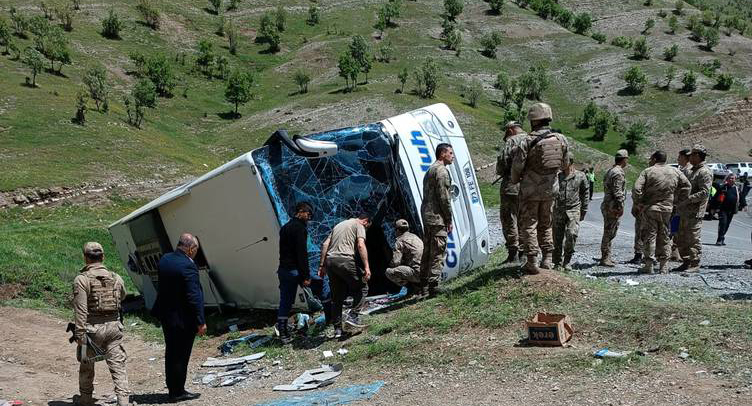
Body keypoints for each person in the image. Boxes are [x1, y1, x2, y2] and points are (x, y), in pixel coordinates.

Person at [510, 102, 570, 275]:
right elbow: (565, 164)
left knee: (529, 225)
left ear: (533, 120)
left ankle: (531, 260)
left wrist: (516, 180)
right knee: (547, 223)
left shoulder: (526, 141)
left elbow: (517, 168)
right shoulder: (561, 139)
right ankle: (548, 258)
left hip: (530, 191)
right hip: (551, 190)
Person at [73, 242, 129, 406]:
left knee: (86, 366)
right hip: (114, 327)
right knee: (118, 366)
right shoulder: (116, 277)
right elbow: (123, 296)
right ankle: (123, 401)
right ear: (103, 257)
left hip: (92, 330)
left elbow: (81, 310)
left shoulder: (82, 280)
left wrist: (79, 333)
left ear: (85, 258)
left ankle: (85, 400)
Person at [153, 233, 206, 403]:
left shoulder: (165, 260)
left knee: (172, 352)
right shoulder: (188, 266)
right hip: (183, 318)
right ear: (191, 249)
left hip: (167, 315)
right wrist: (200, 321)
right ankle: (178, 391)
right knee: (181, 355)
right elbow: (193, 296)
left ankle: (173, 388)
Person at [632, 151, 691, 274]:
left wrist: (639, 202)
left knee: (650, 236)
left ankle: (649, 265)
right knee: (665, 235)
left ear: (654, 159)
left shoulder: (648, 171)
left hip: (651, 208)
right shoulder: (675, 171)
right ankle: (664, 266)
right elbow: (687, 186)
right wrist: (678, 201)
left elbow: (637, 188)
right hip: (667, 209)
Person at [318, 214, 372, 339]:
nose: (366, 230)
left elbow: (325, 244)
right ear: (366, 221)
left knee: (337, 296)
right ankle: (353, 316)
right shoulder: (359, 225)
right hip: (345, 259)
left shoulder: (338, 225)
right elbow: (360, 245)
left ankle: (338, 330)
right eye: (368, 227)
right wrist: (367, 267)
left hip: (330, 261)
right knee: (362, 287)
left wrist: (322, 266)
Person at [275, 202, 315, 343]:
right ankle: (332, 321)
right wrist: (305, 276)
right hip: (295, 270)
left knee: (285, 302)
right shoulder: (299, 229)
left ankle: (283, 332)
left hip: (283, 269)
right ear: (301, 212)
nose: (309, 218)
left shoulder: (285, 227)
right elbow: (301, 254)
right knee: (322, 288)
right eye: (308, 214)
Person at [420, 143, 455, 296]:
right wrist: (449, 218)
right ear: (442, 154)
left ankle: (423, 286)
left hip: (427, 216)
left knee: (427, 251)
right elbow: (444, 197)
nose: (452, 156)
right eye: (450, 153)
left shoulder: (429, 170)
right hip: (437, 217)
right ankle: (433, 285)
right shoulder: (441, 171)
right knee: (438, 251)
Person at [674, 144, 714, 273]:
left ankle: (694, 263)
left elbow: (704, 192)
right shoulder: (692, 170)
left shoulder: (704, 172)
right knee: (681, 237)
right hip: (684, 211)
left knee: (693, 238)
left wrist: (688, 199)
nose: (689, 157)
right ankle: (686, 261)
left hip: (694, 212)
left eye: (691, 155)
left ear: (697, 155)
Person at [495, 121, 529, 263]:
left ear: (510, 130)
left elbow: (502, 163)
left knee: (509, 219)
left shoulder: (512, 141)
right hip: (529, 187)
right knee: (525, 220)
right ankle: (525, 253)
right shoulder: (531, 138)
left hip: (511, 186)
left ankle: (513, 254)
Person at [552, 157, 589, 271]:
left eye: (564, 162)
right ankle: (557, 262)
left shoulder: (580, 176)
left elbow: (585, 193)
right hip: (558, 210)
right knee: (557, 238)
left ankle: (567, 261)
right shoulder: (557, 176)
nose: (562, 164)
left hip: (574, 210)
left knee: (572, 234)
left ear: (571, 163)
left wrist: (584, 210)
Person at [599, 150, 629, 267]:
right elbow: (618, 192)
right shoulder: (618, 173)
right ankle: (605, 257)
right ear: (624, 159)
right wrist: (620, 206)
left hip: (608, 204)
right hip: (613, 206)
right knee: (609, 232)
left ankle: (607, 256)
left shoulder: (610, 170)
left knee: (609, 231)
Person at [385, 219, 424, 296]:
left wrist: (390, 263)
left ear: (397, 230)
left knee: (389, 272)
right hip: (428, 271)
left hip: (418, 274)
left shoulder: (399, 241)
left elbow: (396, 262)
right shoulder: (415, 237)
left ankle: (413, 288)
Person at [670, 148, 692, 261]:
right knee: (675, 228)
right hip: (679, 204)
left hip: (681, 204)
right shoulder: (683, 169)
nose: (678, 159)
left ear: (684, 157)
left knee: (677, 229)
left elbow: (684, 188)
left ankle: (678, 253)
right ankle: (674, 252)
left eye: (679, 157)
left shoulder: (687, 171)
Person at [715, 173, 746, 245]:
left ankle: (722, 238)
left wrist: (744, 205)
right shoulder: (723, 187)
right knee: (723, 223)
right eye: (730, 178)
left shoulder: (737, 189)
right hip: (723, 209)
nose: (731, 179)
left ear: (735, 179)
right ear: (727, 179)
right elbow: (716, 197)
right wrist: (713, 207)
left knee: (727, 225)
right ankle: (719, 239)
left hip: (732, 210)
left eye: (733, 178)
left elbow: (741, 197)